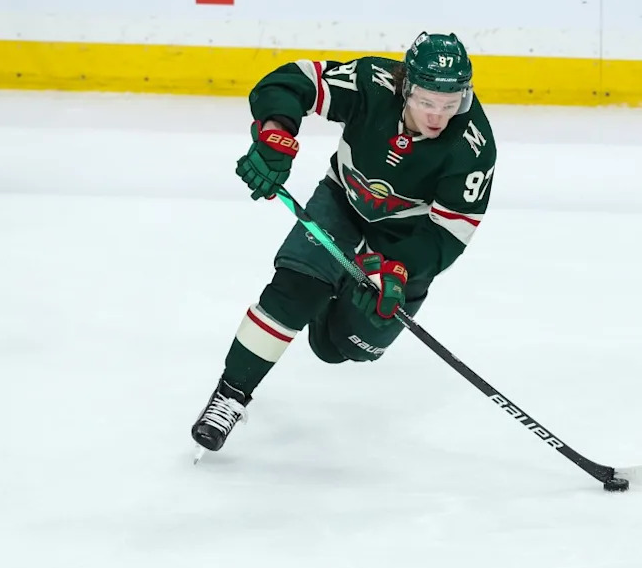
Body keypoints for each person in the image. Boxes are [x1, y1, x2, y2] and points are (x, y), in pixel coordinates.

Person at [190, 31, 497, 453]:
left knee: (338, 347)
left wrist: (401, 269)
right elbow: (294, 81)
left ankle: (331, 293)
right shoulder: (371, 82)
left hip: (403, 243)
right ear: (405, 86)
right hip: (343, 204)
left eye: (450, 104)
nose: (438, 116)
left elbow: (451, 231)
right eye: (427, 102)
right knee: (292, 293)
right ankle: (230, 395)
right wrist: (275, 131)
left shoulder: (473, 146)